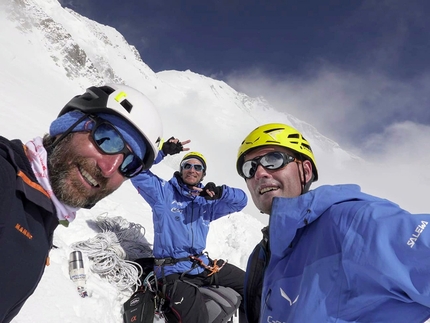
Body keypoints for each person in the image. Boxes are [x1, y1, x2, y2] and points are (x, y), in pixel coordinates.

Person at [236, 122, 430, 323]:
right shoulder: (263, 254)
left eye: (273, 159)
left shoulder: (352, 221)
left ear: (306, 171)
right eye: (249, 168)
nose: (259, 173)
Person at [0, 84, 163, 323]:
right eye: (107, 139)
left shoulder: (42, 211)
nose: (109, 170)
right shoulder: (7, 179)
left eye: (128, 164)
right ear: (68, 125)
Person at [131, 138, 248, 322]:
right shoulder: (163, 193)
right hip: (171, 271)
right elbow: (135, 169)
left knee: (251, 284)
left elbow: (242, 201)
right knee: (197, 317)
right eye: (187, 165)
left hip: (202, 265)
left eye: (198, 167)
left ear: (203, 174)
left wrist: (221, 192)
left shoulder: (207, 203)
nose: (192, 169)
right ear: (181, 169)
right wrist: (161, 151)